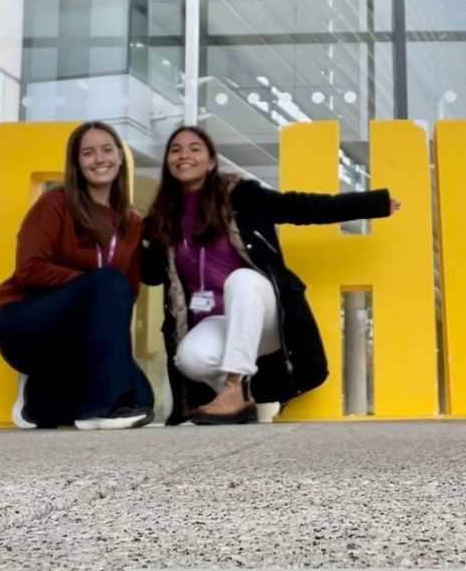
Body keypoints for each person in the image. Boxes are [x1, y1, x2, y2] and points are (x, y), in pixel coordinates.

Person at [140, 126, 400, 425]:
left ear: (211, 162)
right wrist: (134, 234)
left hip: (262, 315)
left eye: (195, 148)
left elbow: (302, 207)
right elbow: (151, 276)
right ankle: (243, 400)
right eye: (175, 149)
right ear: (168, 163)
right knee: (191, 357)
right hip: (216, 321)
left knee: (241, 279)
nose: (184, 154)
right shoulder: (163, 218)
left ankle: (234, 385)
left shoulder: (242, 197)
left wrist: (372, 204)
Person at [0, 121, 154, 430]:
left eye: (107, 150)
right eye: (88, 153)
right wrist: (89, 288)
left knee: (140, 398)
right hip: (25, 321)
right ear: (77, 164)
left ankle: (39, 397)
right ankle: (96, 411)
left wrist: (111, 349)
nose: (99, 159)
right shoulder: (56, 203)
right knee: (107, 282)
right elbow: (30, 269)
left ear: (120, 157)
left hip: (80, 335)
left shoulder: (132, 223)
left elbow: (127, 294)